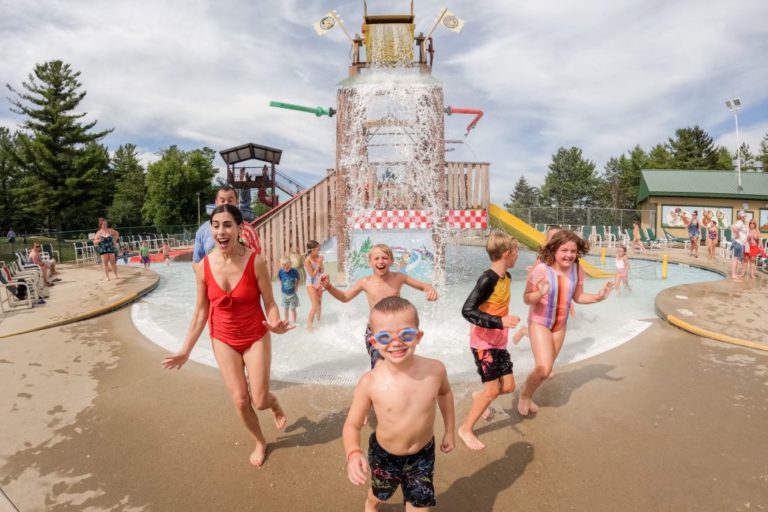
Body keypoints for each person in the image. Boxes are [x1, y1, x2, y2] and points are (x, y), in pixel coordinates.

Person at [161, 204, 292, 467]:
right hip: (223, 338)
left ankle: (273, 402)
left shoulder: (256, 261)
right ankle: (259, 441)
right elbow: (200, 313)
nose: (221, 231)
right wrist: (185, 350)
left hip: (255, 335)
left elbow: (270, 301)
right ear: (211, 230)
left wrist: (275, 322)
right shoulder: (203, 267)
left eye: (228, 225)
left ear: (240, 229)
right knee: (241, 401)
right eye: (216, 225)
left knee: (259, 399)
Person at [343, 296, 455, 510]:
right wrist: (353, 452)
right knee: (380, 493)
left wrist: (449, 430)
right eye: (385, 338)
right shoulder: (370, 382)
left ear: (418, 336)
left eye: (406, 334)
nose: (396, 343)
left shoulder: (435, 370)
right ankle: (371, 504)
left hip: (423, 454)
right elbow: (352, 425)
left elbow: (446, 394)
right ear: (374, 342)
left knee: (420, 504)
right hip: (385, 455)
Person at [517, 230, 614, 416]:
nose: (569, 255)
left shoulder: (577, 269)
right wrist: (540, 293)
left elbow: (578, 297)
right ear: (554, 250)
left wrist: (598, 297)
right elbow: (527, 298)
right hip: (540, 323)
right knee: (544, 369)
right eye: (564, 250)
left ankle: (529, 392)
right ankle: (524, 395)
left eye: (573, 251)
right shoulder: (541, 269)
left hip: (560, 326)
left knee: (547, 369)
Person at [320, 243, 438, 369]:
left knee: (399, 363)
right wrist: (329, 287)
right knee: (379, 365)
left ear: (391, 261)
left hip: (396, 330)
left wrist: (430, 290)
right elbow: (344, 297)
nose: (380, 261)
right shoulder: (365, 282)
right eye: (376, 258)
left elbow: (424, 285)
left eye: (385, 258)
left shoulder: (399, 277)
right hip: (375, 331)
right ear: (370, 262)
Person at [457, 232, 521, 450]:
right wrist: (499, 321)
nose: (518, 256)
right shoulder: (488, 279)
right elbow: (467, 310)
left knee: (510, 387)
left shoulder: (507, 278)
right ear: (507, 253)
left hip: (499, 342)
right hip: (483, 343)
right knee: (493, 391)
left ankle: (480, 396)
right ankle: (465, 429)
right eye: (516, 252)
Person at [192, 186, 260, 272]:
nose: (226, 204)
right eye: (222, 200)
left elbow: (258, 259)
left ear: (237, 201)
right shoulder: (203, 231)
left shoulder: (249, 230)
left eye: (230, 200)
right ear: (216, 202)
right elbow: (196, 262)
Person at [304, 240, 324, 331]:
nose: (319, 250)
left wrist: (321, 263)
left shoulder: (318, 257)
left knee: (319, 305)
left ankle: (319, 323)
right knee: (315, 306)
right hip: (310, 284)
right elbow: (312, 275)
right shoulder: (307, 260)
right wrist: (318, 264)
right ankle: (309, 327)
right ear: (312, 250)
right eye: (318, 248)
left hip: (318, 284)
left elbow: (321, 271)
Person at [278, 256, 300, 324]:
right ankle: (286, 321)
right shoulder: (281, 272)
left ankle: (294, 321)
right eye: (284, 268)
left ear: (291, 264)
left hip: (292, 294)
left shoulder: (294, 271)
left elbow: (298, 279)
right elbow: (280, 279)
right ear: (281, 266)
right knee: (285, 308)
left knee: (293, 309)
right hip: (284, 294)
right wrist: (280, 286)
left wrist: (296, 287)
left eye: (288, 267)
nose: (286, 269)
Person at [730, 211, 748, 280]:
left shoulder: (741, 223)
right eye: (742, 216)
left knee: (736, 258)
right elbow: (734, 228)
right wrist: (737, 235)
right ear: (740, 216)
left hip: (739, 242)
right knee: (736, 259)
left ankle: (734, 273)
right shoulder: (740, 222)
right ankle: (733, 274)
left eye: (744, 216)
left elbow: (734, 227)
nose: (743, 217)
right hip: (738, 242)